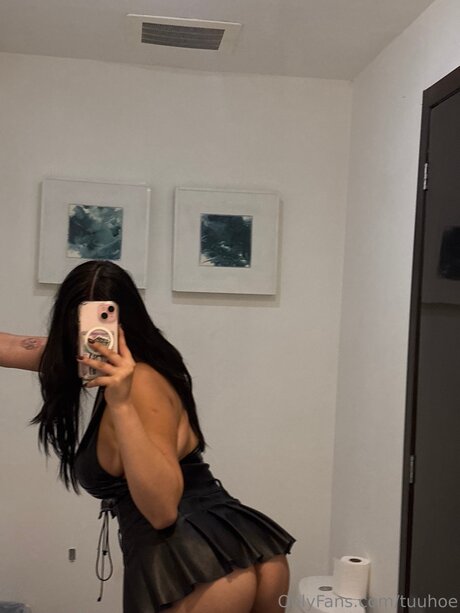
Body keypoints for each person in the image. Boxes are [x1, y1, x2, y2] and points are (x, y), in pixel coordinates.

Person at [0, 260, 296, 613]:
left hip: (195, 564)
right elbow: (15, 346)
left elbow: (162, 510)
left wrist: (122, 405)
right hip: (236, 542)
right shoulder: (120, 362)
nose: (90, 338)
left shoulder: (139, 385)